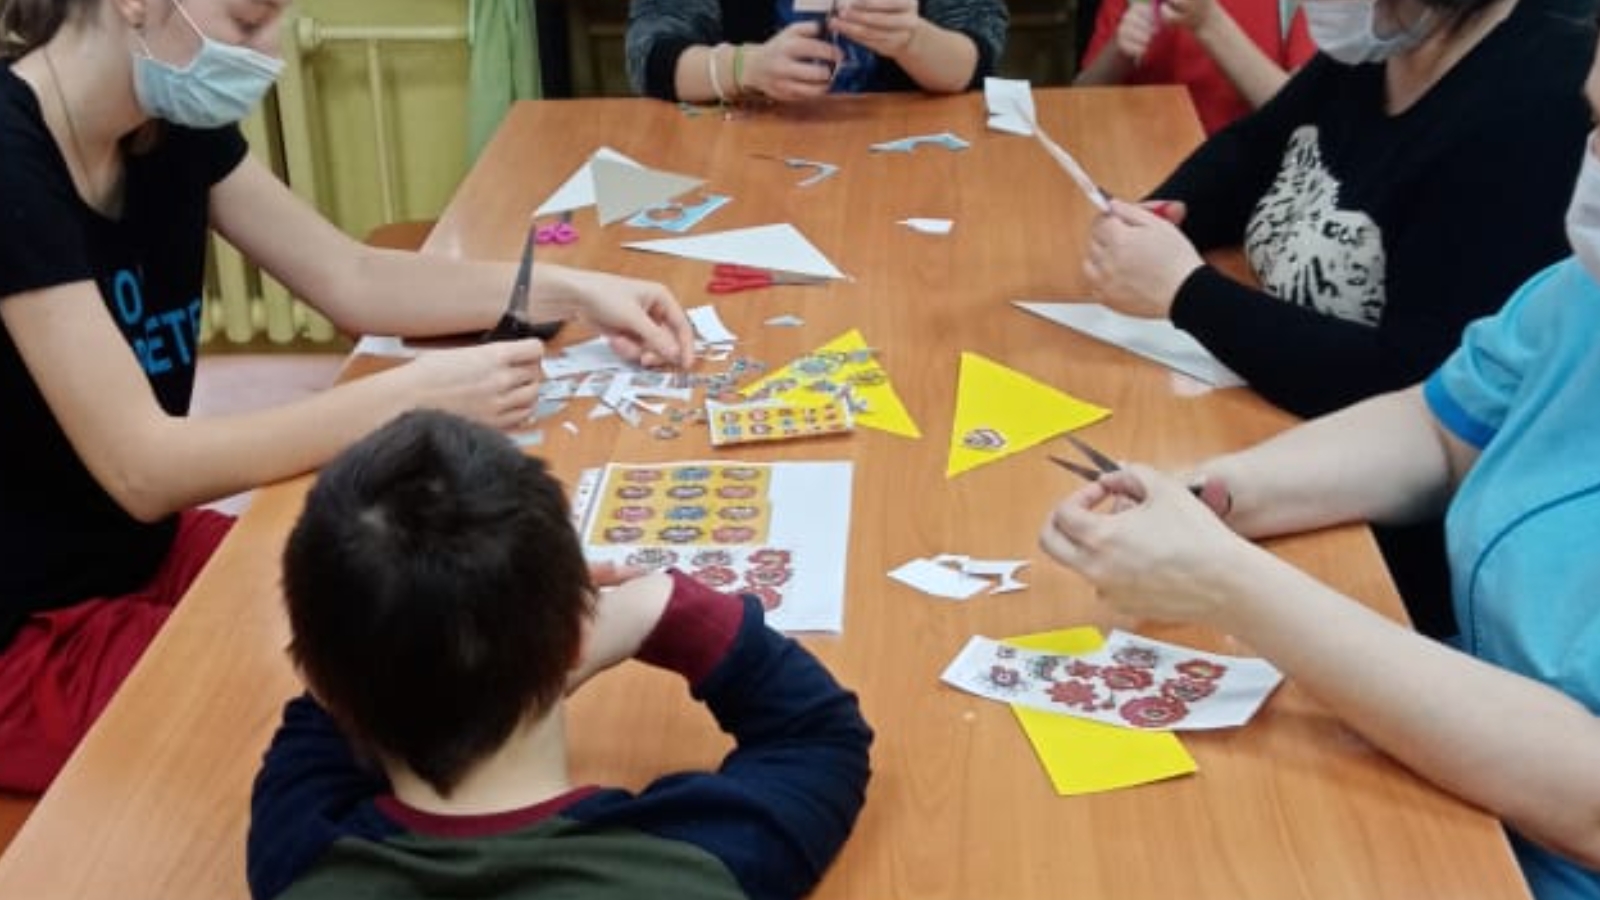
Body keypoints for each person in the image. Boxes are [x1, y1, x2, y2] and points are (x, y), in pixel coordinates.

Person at [0, 0, 696, 794]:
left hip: (138, 553)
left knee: (420, 614)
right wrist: (409, 400)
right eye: (249, 22)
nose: (272, 53)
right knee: (385, 711)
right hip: (27, 636)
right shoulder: (15, 160)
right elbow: (142, 467)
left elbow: (350, 276)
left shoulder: (164, 125)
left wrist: (576, 289)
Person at [1041, 67, 1600, 896]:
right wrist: (1219, 494)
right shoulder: (1580, 294)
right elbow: (1440, 427)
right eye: (1595, 120)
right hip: (1457, 772)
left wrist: (1231, 586)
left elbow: (1587, 801)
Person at [1075, 0, 1593, 638]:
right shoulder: (1380, 50)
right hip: (1315, 453)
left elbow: (1408, 373)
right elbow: (1435, 421)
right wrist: (1165, 216)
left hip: (1394, 557)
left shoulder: (1533, 105)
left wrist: (1188, 293)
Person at [247, 410, 873, 900]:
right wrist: (665, 608)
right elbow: (818, 737)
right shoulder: (689, 869)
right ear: (578, 638)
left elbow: (321, 722)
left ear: (319, 675)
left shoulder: (299, 861)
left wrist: (393, 626)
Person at [625, 0, 1008, 104]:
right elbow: (650, 55)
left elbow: (976, 56)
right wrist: (746, 67)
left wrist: (913, 40)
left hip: (910, 152)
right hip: (750, 148)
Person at [1075, 0, 1315, 134]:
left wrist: (1209, 22)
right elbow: (1079, 101)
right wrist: (1118, 52)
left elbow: (1307, 122)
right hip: (1139, 168)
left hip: (1250, 184)